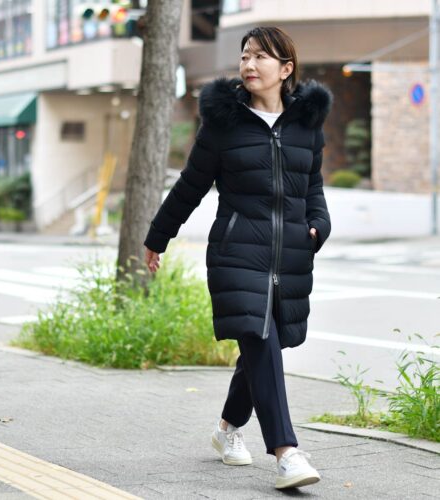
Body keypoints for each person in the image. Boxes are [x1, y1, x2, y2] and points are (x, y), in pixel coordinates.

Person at [143, 26, 333, 490]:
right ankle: (286, 453)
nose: (249, 64)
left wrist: (318, 225)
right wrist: (157, 237)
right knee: (259, 336)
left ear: (285, 69)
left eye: (261, 57)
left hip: (290, 255)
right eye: (245, 55)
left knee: (264, 346)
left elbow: (312, 187)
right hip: (236, 252)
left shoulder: (306, 125)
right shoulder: (224, 125)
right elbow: (191, 185)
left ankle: (228, 428)